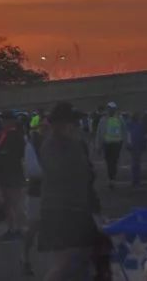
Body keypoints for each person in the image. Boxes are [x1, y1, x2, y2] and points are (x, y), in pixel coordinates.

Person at [40, 102, 101, 281]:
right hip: (58, 210)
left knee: (87, 257)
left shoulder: (78, 144)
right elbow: (59, 173)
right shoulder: (50, 146)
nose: (75, 126)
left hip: (81, 209)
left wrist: (95, 207)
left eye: (76, 122)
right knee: (63, 263)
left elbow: (88, 178)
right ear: (57, 124)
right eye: (71, 122)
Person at [0, 110, 26, 242]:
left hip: (13, 172)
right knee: (7, 203)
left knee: (14, 203)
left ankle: (17, 229)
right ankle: (12, 228)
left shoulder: (16, 135)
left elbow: (19, 153)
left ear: (11, 121)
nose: (3, 122)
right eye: (3, 119)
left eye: (5, 119)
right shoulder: (3, 134)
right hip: (3, 172)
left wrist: (4, 154)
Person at [22, 116, 47, 277]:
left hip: (52, 192)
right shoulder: (32, 145)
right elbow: (33, 171)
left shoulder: (56, 143)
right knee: (33, 227)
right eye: (43, 127)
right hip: (37, 193)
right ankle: (25, 257)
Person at [95, 102, 126, 190]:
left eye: (113, 109)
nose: (111, 111)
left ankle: (112, 178)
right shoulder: (103, 120)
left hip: (116, 144)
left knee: (114, 161)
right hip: (107, 144)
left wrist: (125, 142)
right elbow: (99, 133)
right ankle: (111, 177)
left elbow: (124, 131)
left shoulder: (120, 119)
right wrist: (98, 146)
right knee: (109, 162)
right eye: (110, 109)